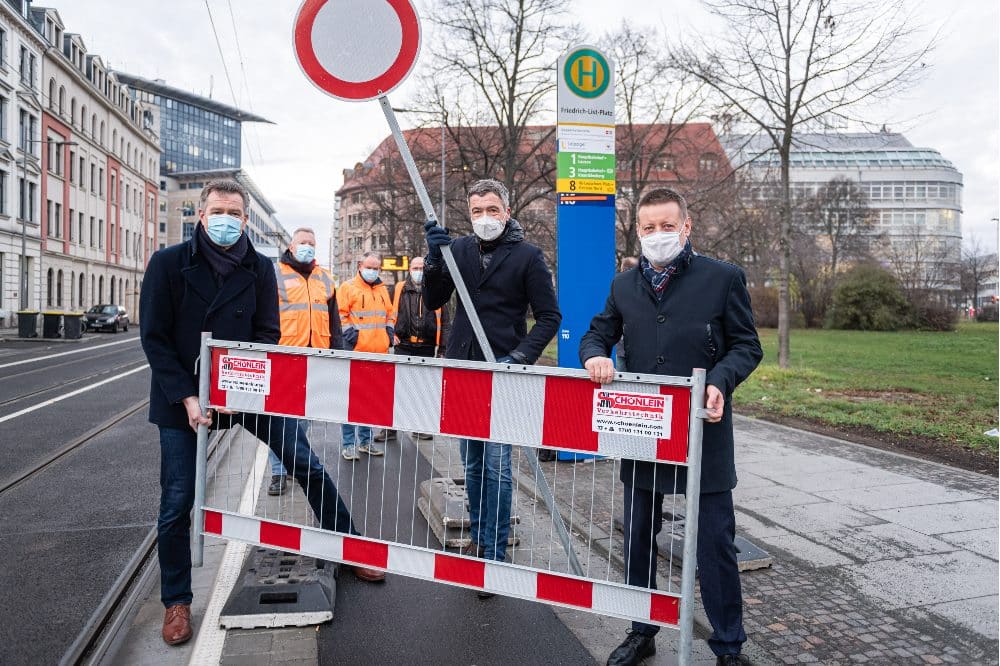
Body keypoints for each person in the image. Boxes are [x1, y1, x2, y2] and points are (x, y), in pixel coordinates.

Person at [140, 179, 384, 648]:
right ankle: (177, 601)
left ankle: (349, 546)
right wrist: (190, 397)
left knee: (306, 462)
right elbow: (154, 338)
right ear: (202, 214)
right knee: (176, 501)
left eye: (234, 212)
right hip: (182, 396)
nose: (225, 220)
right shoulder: (168, 263)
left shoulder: (259, 267)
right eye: (217, 211)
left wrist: (236, 388)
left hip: (243, 391)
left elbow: (267, 335)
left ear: (245, 218)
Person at [579, 188, 763, 666]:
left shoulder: (722, 279)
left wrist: (721, 380)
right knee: (639, 533)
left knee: (714, 540)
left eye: (667, 226)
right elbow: (599, 331)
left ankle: (728, 646)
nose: (658, 236)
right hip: (642, 430)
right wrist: (596, 353)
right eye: (648, 228)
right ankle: (642, 631)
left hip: (705, 428)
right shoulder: (624, 285)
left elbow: (746, 345)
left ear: (686, 226)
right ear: (637, 231)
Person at [423, 178, 561, 591]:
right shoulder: (459, 250)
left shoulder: (528, 257)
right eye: (477, 211)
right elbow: (433, 300)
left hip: (502, 369)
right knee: (472, 462)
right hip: (464, 369)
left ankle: (493, 552)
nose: (485, 218)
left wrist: (519, 357)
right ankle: (481, 536)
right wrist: (434, 259)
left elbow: (550, 317)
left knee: (497, 465)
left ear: (507, 210)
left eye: (492, 210)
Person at [266, 226, 341, 496]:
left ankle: (293, 463)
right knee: (282, 419)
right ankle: (278, 472)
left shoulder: (325, 278)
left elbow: (334, 320)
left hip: (316, 359)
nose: (307, 246)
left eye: (311, 242)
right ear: (291, 246)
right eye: (302, 242)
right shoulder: (275, 274)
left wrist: (338, 354)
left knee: (304, 419)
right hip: (285, 358)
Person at [376, 255, 450, 443]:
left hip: (426, 346)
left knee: (422, 389)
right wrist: (390, 332)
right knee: (396, 389)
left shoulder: (436, 291)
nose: (418, 272)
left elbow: (445, 323)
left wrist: (442, 349)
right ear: (409, 270)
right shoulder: (398, 288)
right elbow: (387, 313)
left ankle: (419, 428)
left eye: (421, 268)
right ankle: (390, 429)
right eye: (415, 268)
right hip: (403, 345)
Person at [337, 251, 395, 460]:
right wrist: (352, 336)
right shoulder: (348, 287)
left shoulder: (381, 290)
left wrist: (388, 334)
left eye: (376, 268)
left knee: (369, 401)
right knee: (351, 401)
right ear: (360, 265)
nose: (373, 271)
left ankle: (365, 441)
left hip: (378, 354)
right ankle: (349, 444)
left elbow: (389, 315)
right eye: (369, 266)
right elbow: (340, 315)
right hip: (356, 352)